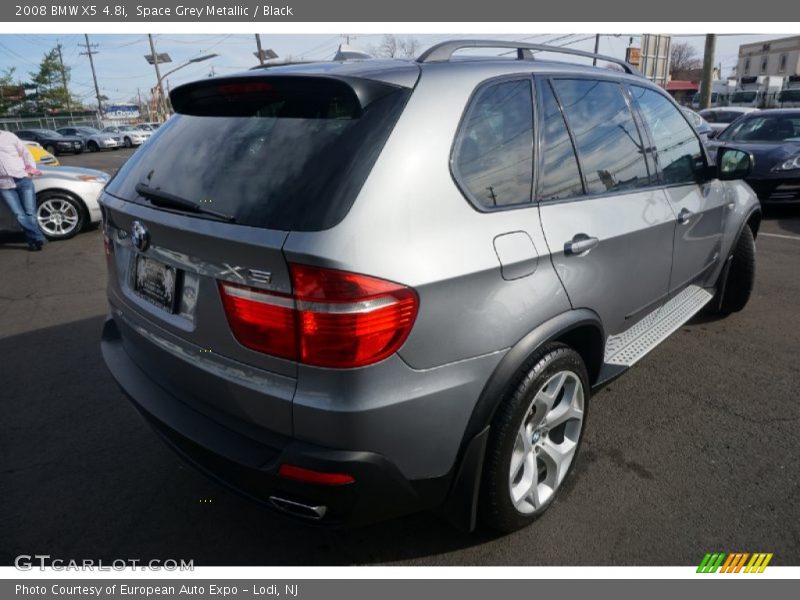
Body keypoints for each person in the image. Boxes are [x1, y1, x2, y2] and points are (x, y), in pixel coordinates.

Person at [0, 130, 46, 251]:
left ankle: (33, 242)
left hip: (22, 178)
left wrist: (30, 171)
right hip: (4, 184)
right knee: (19, 214)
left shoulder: (9, 136)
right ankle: (38, 236)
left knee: (30, 212)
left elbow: (25, 153)